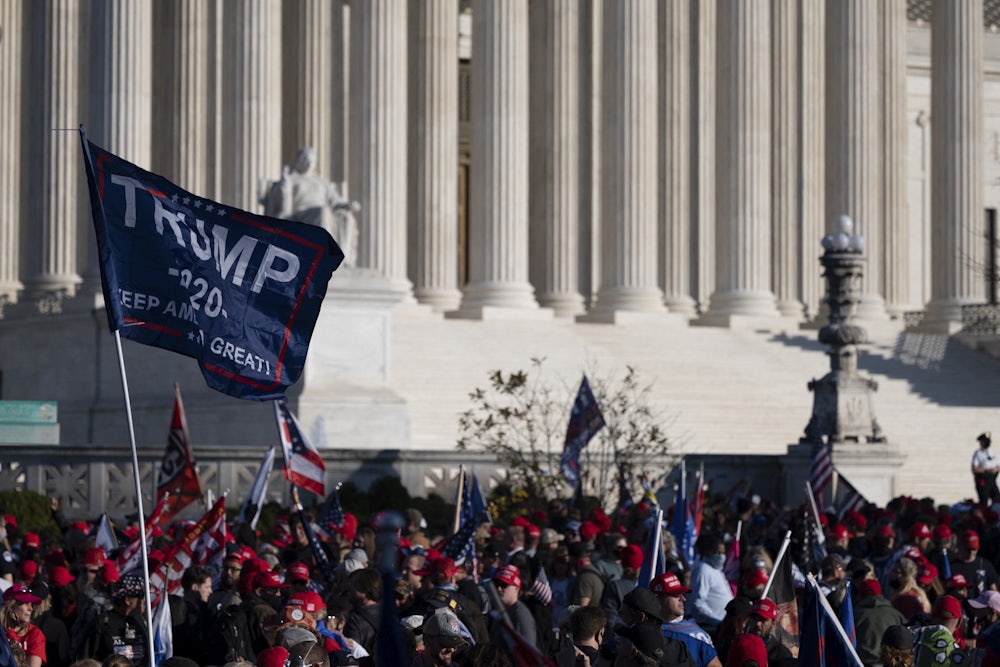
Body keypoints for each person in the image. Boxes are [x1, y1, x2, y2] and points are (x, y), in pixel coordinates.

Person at [262, 146, 360, 267]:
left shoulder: (321, 182)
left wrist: (347, 205)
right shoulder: (291, 179)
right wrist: (284, 184)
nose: (309, 163)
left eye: (312, 161)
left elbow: (335, 201)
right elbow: (280, 203)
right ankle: (324, 254)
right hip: (300, 215)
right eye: (306, 160)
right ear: (300, 161)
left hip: (323, 213)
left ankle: (341, 258)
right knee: (323, 212)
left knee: (346, 217)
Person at [3, 584, 45, 667]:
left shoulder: (34, 634)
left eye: (31, 604)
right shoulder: (1, 632)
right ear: (11, 606)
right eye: (26, 603)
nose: (31, 609)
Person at [973, 432, 1000, 506]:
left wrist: (995, 469)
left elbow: (998, 466)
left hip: (992, 479)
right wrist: (985, 471)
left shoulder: (992, 453)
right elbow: (974, 468)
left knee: (997, 498)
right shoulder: (978, 453)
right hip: (983, 479)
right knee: (984, 500)